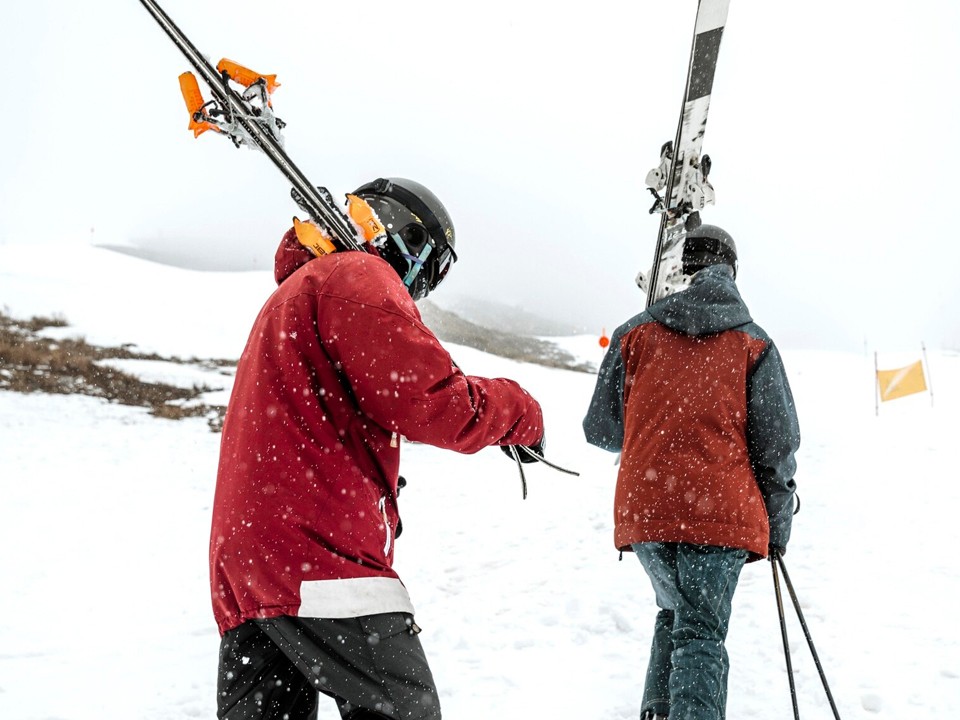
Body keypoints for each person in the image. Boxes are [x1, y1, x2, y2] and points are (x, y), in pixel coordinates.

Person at [210, 177, 544, 720]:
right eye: (429, 267)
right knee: (403, 708)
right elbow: (435, 402)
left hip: (247, 568)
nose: (418, 288)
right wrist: (522, 414)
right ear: (404, 237)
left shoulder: (292, 296)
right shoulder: (355, 275)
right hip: (319, 556)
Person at [582, 221, 800, 720]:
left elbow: (601, 430)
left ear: (687, 268)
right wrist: (778, 524)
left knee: (676, 613)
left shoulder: (634, 333)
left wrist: (652, 424)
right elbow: (778, 448)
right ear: (732, 270)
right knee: (700, 631)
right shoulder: (754, 343)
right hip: (719, 514)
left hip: (647, 512)